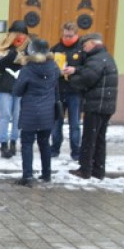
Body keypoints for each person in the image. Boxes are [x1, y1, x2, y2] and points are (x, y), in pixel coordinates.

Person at [65, 33, 118, 180]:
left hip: (96, 105)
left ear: (93, 44)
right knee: (99, 139)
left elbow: (87, 79)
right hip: (105, 105)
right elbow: (89, 71)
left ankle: (85, 170)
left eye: (85, 45)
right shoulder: (105, 56)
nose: (83, 48)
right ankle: (98, 170)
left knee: (89, 138)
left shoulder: (96, 59)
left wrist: (70, 78)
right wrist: (76, 70)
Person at [12, 37, 60, 186]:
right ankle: (46, 174)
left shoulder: (28, 69)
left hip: (30, 113)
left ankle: (27, 176)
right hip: (48, 112)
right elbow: (56, 87)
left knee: (27, 143)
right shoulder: (54, 67)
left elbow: (17, 91)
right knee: (44, 143)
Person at [0, 20, 29, 159]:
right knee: (6, 115)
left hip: (20, 87)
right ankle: (3, 144)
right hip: (5, 86)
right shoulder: (4, 47)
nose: (20, 37)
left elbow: (30, 65)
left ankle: (13, 142)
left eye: (23, 34)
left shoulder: (28, 48)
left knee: (17, 116)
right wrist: (14, 54)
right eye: (17, 34)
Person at [50, 22, 85, 161]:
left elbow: (88, 68)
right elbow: (48, 66)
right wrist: (56, 70)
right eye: (65, 35)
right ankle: (54, 149)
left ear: (76, 35)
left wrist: (75, 70)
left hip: (75, 91)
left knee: (74, 124)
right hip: (58, 90)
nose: (67, 38)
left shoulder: (82, 50)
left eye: (70, 36)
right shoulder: (56, 49)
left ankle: (76, 151)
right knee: (56, 122)